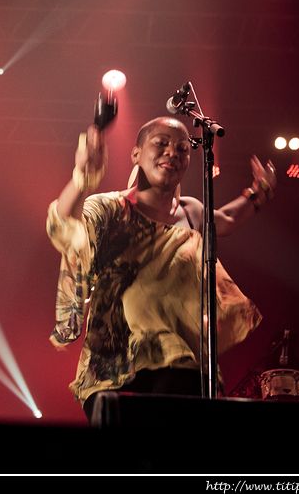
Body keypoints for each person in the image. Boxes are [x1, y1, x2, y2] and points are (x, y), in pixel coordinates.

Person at [46, 116, 276, 421]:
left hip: (176, 362)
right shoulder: (110, 209)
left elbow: (227, 219)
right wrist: (81, 178)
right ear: (136, 154)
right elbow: (63, 224)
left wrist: (258, 192)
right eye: (161, 143)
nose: (172, 153)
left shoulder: (191, 212)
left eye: (182, 149)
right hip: (115, 366)